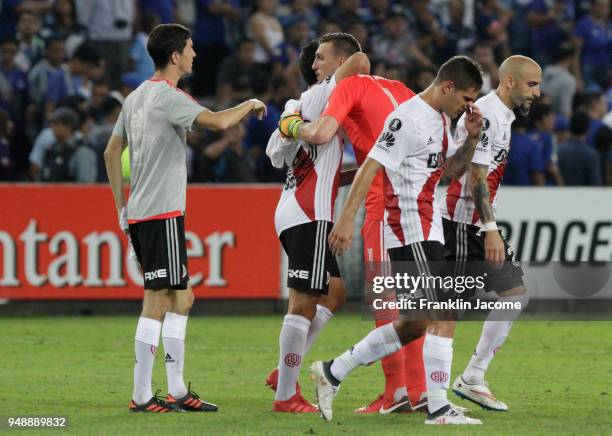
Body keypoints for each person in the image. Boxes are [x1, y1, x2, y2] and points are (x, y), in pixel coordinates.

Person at [283, 56, 485, 424]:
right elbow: (370, 166)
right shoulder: (406, 118)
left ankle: (332, 371)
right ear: (447, 87)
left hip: (429, 224)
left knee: (414, 324)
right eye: (467, 98)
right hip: (408, 224)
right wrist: (346, 219)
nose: (468, 106)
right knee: (442, 310)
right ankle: (438, 408)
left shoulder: (442, 120)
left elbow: (449, 173)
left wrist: (470, 138)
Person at [103, 23, 266, 414]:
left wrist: (120, 208)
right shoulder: (166, 96)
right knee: (158, 298)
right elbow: (218, 122)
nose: (195, 54)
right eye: (190, 49)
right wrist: (251, 103)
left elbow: (111, 153)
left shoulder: (136, 97)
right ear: (175, 56)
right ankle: (142, 396)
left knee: (183, 297)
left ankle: (176, 391)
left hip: (144, 211)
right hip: (161, 213)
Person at [279, 43, 427, 414]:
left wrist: (290, 123)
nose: (315, 66)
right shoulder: (398, 88)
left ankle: (395, 391)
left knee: (385, 302)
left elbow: (324, 131)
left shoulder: (347, 85)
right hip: (418, 203)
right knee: (414, 302)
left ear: (341, 62)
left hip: (384, 205)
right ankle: (418, 389)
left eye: (322, 58)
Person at [266, 34, 369, 413]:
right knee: (304, 300)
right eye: (319, 58)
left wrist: (352, 174)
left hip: (300, 205)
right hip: (307, 212)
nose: (315, 64)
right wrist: (295, 124)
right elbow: (360, 62)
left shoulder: (304, 103)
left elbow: (277, 156)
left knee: (334, 293)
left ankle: (284, 372)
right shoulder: (323, 92)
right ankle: (286, 396)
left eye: (322, 59)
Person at [441, 56, 541, 411]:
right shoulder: (488, 113)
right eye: (532, 84)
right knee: (441, 314)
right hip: (460, 223)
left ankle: (471, 377)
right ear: (510, 81)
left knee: (514, 292)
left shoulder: (502, 115)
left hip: (472, 223)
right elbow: (474, 178)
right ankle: (427, 392)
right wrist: (491, 230)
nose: (537, 92)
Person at [558, 111, 602, 185]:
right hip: (585, 195)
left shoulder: (560, 150)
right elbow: (595, 184)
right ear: (587, 128)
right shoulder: (591, 154)